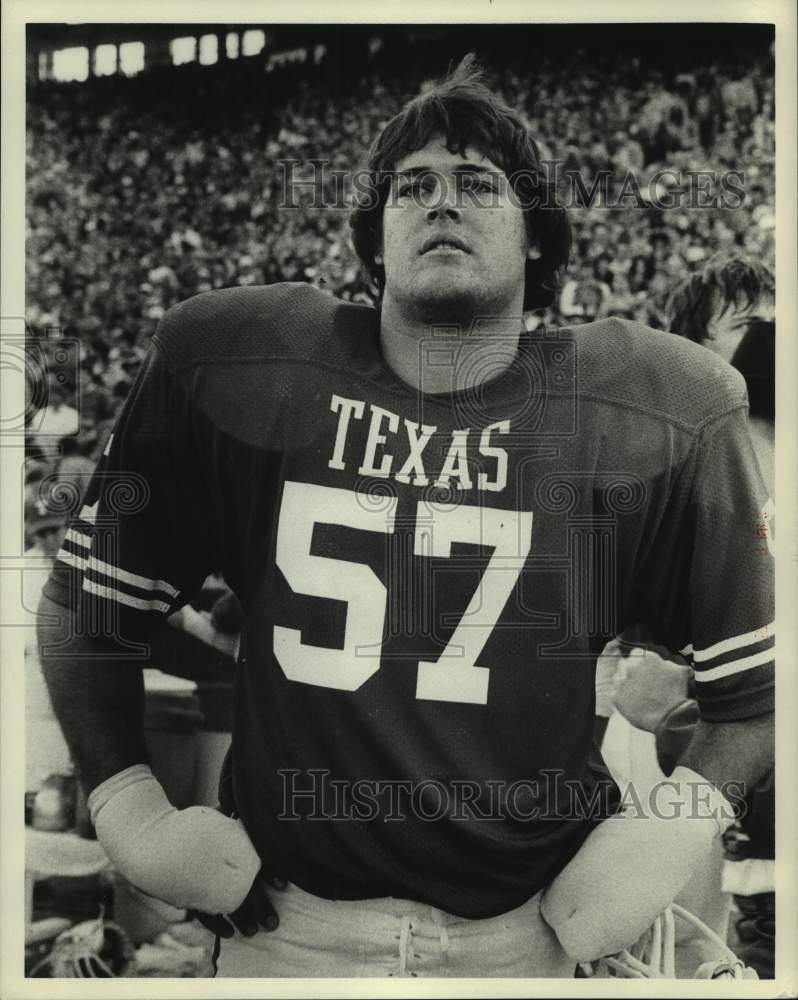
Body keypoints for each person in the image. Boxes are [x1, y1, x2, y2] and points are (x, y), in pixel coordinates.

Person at [38, 56, 773, 978]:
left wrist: (675, 830)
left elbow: (756, 682)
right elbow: (84, 603)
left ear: (539, 237)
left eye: (478, 184)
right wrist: (129, 809)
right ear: (374, 238)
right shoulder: (236, 363)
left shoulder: (650, 403)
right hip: (289, 934)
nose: (442, 202)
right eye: (412, 186)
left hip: (524, 934)